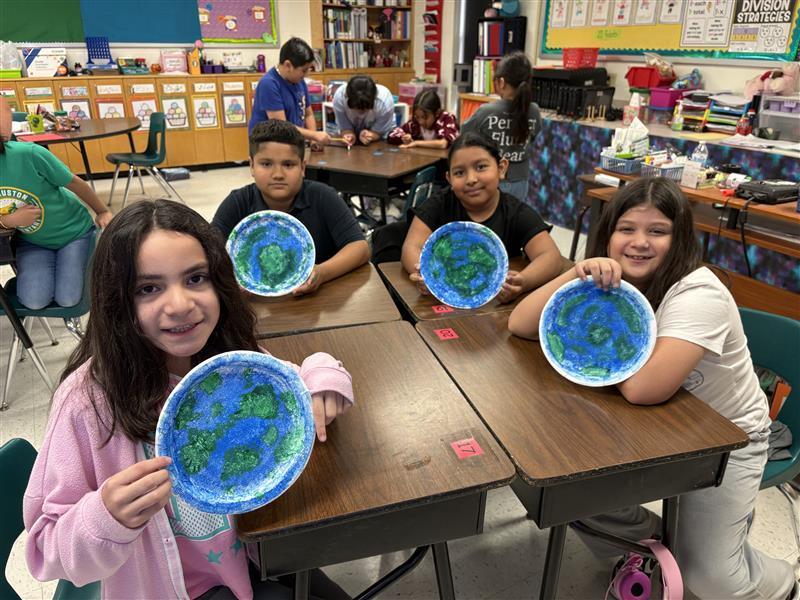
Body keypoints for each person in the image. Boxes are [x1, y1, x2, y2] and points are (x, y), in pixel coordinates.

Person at [24, 199, 354, 600]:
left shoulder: (228, 362)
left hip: (258, 552)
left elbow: (302, 376)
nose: (180, 305)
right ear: (117, 303)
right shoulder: (87, 402)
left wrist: (324, 380)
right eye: (148, 288)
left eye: (196, 278)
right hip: (178, 590)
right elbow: (45, 550)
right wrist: (105, 516)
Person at [507, 177, 796, 600]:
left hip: (726, 441)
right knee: (556, 483)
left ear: (679, 239)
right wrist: (576, 272)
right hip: (652, 427)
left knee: (711, 580)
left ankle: (781, 582)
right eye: (626, 229)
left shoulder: (699, 293)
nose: (639, 243)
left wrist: (586, 340)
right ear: (608, 234)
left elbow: (643, 388)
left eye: (657, 231)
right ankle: (653, 547)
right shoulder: (612, 278)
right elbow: (520, 324)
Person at [401, 132, 562, 305]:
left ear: (501, 168)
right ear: (449, 179)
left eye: (481, 167)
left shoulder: (515, 212)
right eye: (459, 172)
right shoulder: (439, 204)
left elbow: (551, 256)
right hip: (442, 303)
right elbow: (411, 246)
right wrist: (426, 274)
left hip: (494, 309)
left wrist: (523, 281)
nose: (471, 179)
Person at [212, 120, 369, 296]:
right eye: (266, 164)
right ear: (251, 166)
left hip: (318, 303)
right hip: (255, 306)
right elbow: (208, 254)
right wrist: (229, 279)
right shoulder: (238, 202)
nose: (278, 174)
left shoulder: (322, 196)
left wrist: (322, 272)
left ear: (302, 167)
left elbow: (360, 248)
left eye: (288, 164)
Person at [0, 96, 113, 309]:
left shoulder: (29, 154)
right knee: (34, 301)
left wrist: (102, 210)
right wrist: (8, 220)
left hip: (73, 233)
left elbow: (74, 183)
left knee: (68, 299)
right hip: (33, 241)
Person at [460, 51, 541, 203]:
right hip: (521, 181)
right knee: (513, 222)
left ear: (501, 82)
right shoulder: (534, 111)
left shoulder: (486, 111)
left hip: (491, 179)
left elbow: (463, 136)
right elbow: (534, 136)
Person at [250, 37, 329, 150]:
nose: (306, 74)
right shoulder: (268, 84)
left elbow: (308, 114)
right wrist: (315, 135)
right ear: (288, 65)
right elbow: (282, 127)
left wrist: (313, 140)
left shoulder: (299, 81)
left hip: (291, 142)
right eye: (303, 70)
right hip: (268, 146)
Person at [331, 75, 395, 147]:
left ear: (374, 99)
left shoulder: (385, 102)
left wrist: (370, 135)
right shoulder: (340, 98)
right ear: (347, 97)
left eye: (365, 108)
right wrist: (349, 135)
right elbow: (345, 128)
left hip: (379, 141)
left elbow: (378, 132)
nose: (360, 113)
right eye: (356, 108)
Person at [387, 90, 459, 149]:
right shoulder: (415, 124)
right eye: (417, 117)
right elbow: (392, 135)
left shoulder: (446, 118)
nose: (421, 122)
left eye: (425, 117)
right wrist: (404, 138)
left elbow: (443, 143)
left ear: (437, 113)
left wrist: (416, 143)